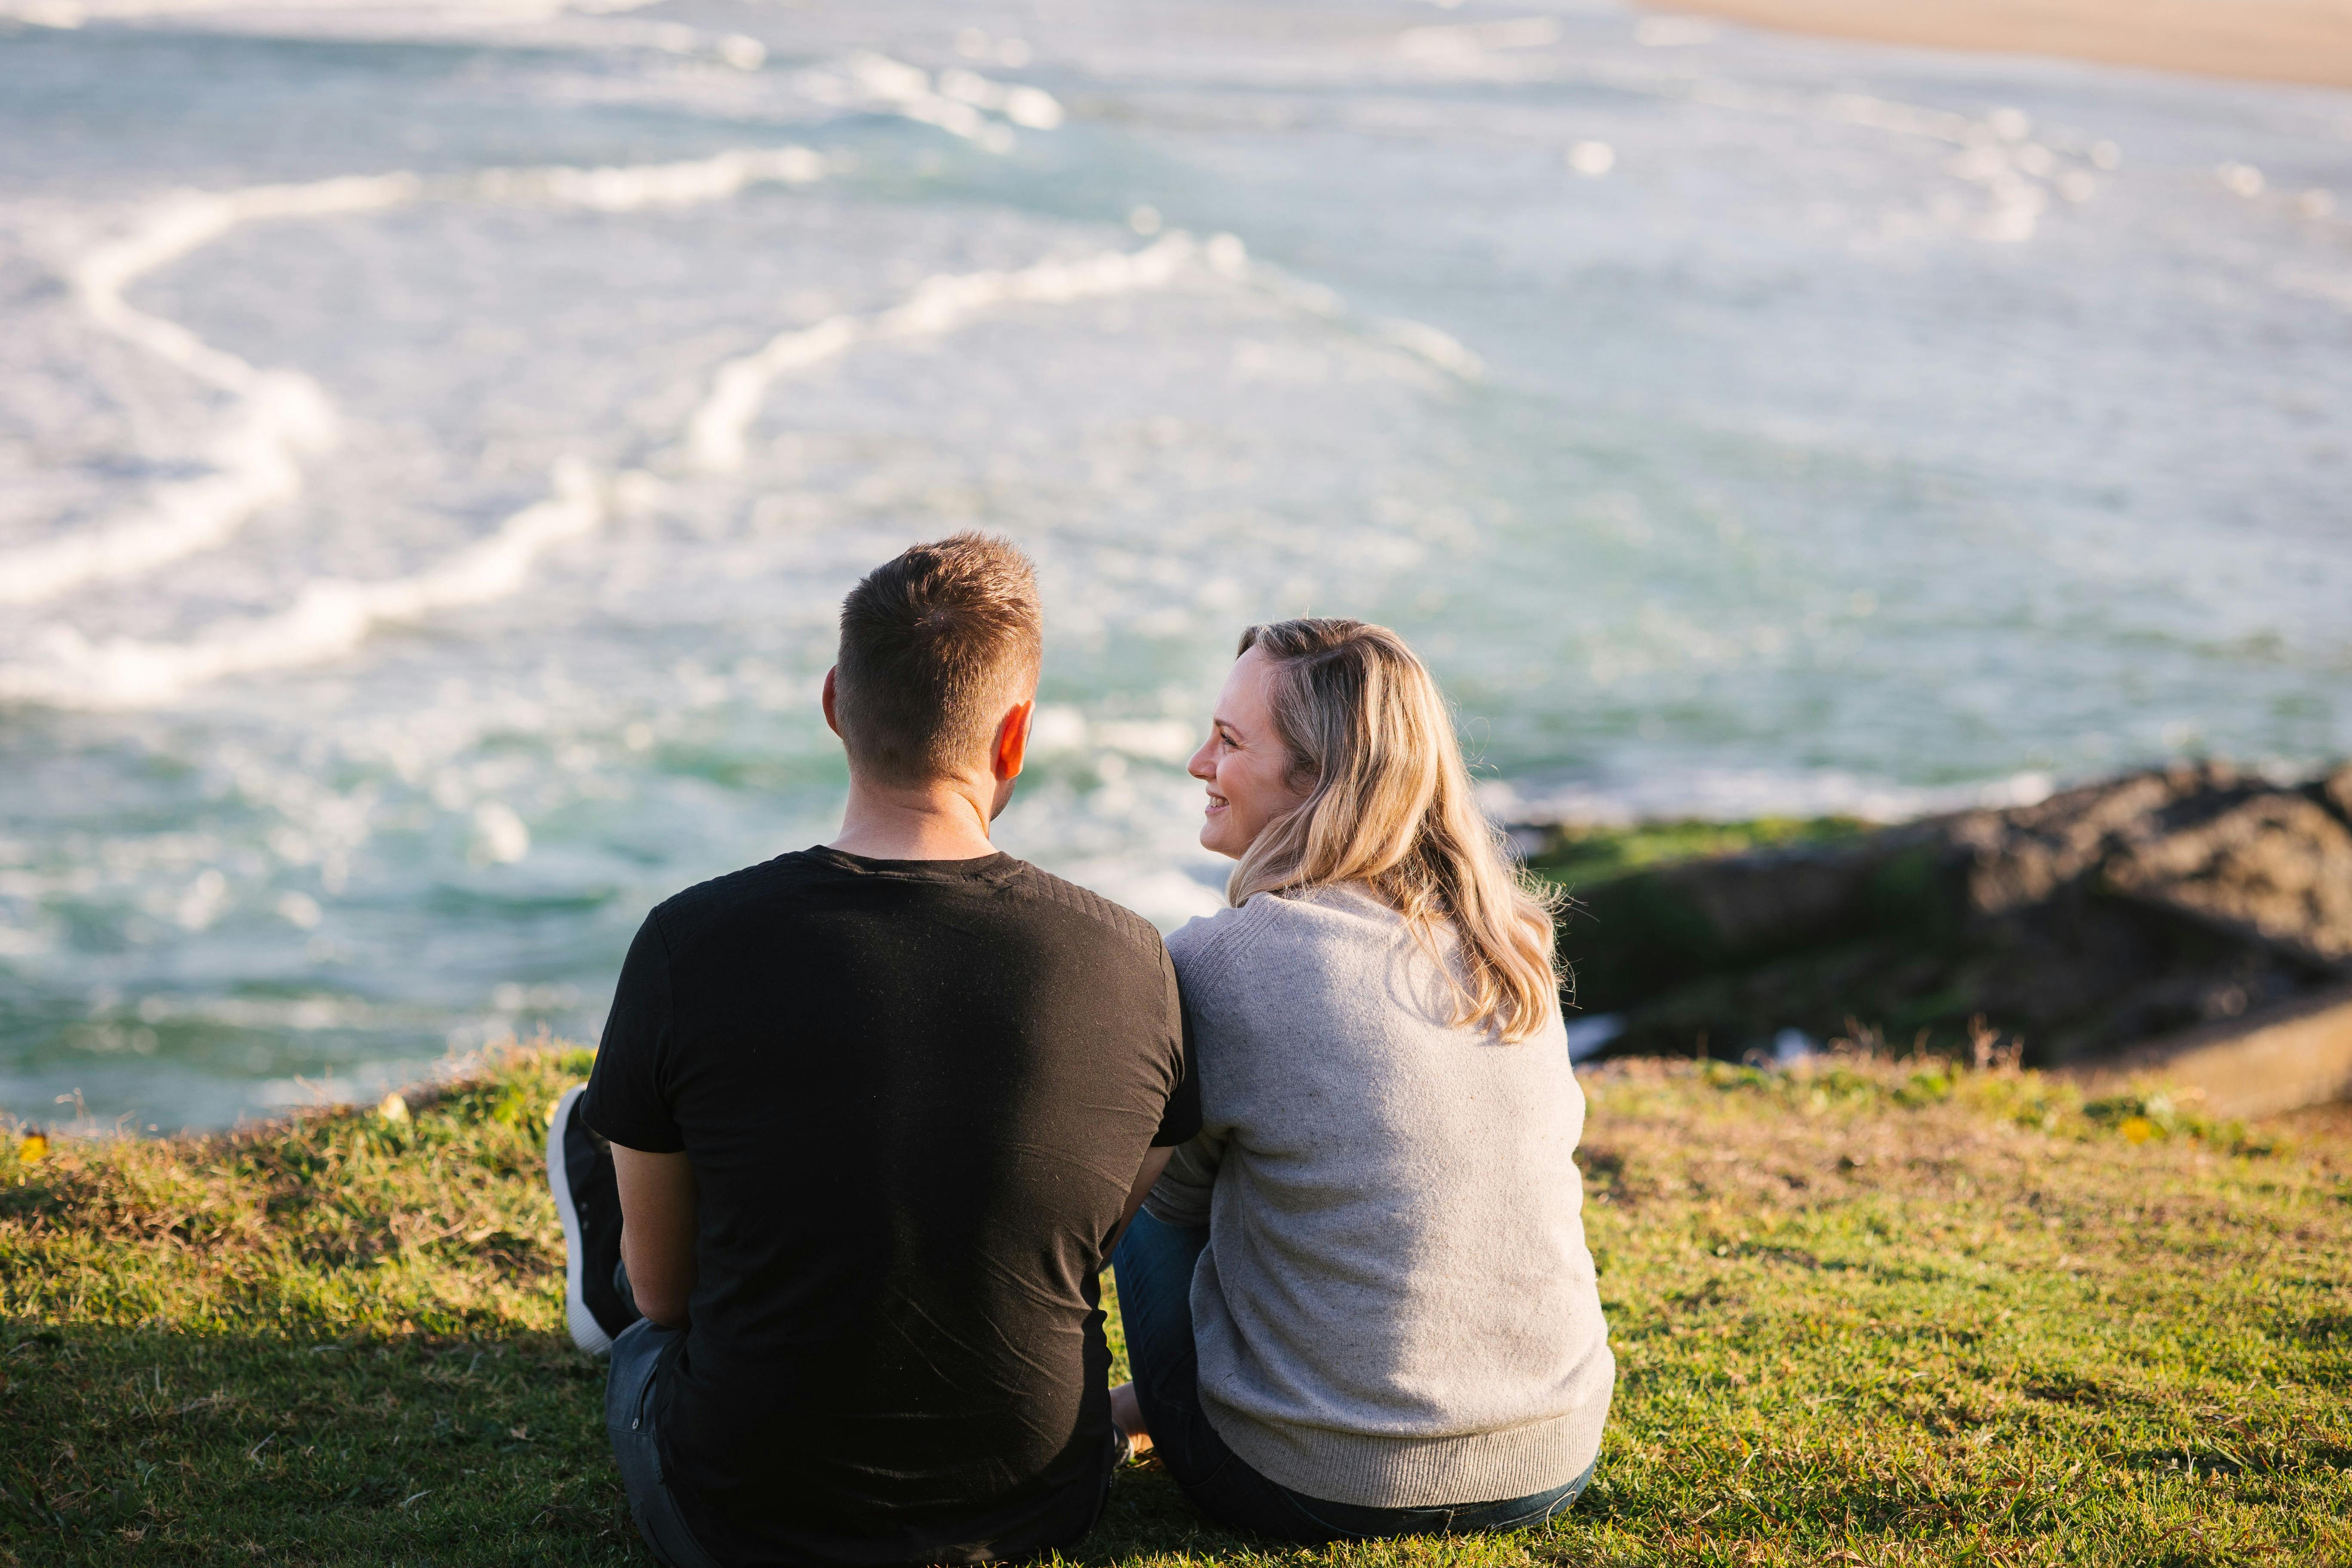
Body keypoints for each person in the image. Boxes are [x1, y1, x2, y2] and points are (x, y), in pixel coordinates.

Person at [545, 533, 1197, 1568]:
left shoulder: (689, 944)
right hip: (1036, 1508)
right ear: (1014, 736)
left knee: (640, 1335)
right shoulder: (1132, 961)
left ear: (836, 705)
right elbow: (1083, 1243)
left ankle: (600, 1207)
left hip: (742, 1521)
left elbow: (670, 1302)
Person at [1109, 617, 1615, 1544]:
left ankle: (1067, 1430)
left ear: (1316, 781)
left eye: (1228, 742)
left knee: (1136, 1182)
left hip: (1315, 1483)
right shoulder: (1511, 945)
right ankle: (1159, 1405)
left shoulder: (1224, 963)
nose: (1196, 763)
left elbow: (1149, 1207)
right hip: (1552, 1452)